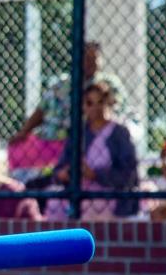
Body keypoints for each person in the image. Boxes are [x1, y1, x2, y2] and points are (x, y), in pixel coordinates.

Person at [8, 42, 125, 177]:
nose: (89, 63)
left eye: (94, 58)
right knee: (18, 149)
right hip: (50, 137)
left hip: (86, 139)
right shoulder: (61, 84)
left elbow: (117, 111)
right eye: (85, 58)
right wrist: (23, 132)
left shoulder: (108, 84)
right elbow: (41, 109)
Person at [43, 82, 139, 220]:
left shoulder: (119, 133)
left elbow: (128, 175)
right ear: (83, 106)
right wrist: (64, 174)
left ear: (109, 103)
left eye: (100, 102)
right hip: (79, 190)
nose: (95, 108)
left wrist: (95, 175)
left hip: (110, 195)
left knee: (91, 207)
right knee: (54, 201)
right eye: (89, 103)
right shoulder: (79, 133)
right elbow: (59, 169)